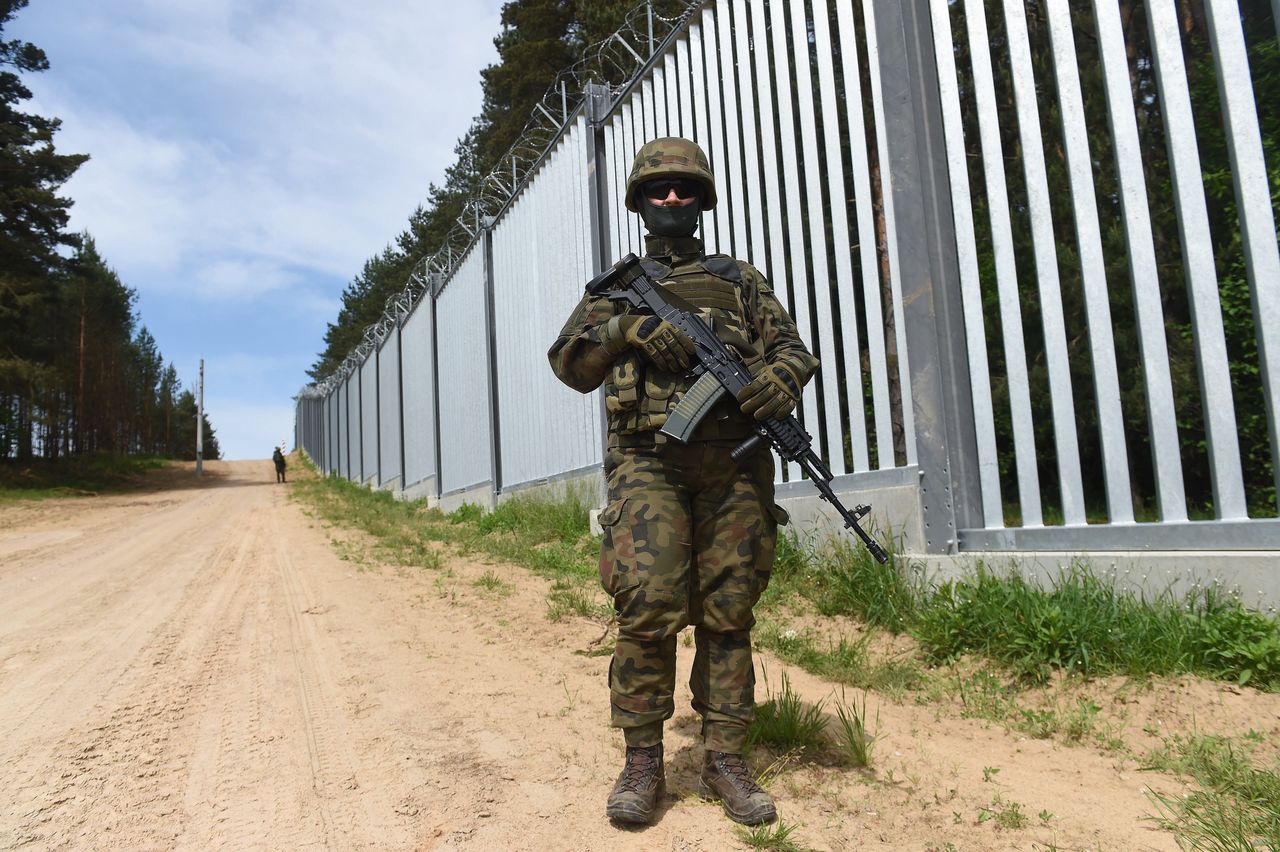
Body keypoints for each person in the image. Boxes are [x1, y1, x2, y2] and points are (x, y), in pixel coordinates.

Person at [548, 137, 819, 827]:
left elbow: (792, 349)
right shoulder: (616, 290)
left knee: (729, 612)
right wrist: (627, 331)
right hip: (648, 463)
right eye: (659, 189)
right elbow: (570, 365)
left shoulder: (738, 279)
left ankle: (726, 756)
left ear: (702, 199)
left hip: (733, 464)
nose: (673, 198)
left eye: (685, 189)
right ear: (640, 200)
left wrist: (777, 381)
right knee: (648, 606)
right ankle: (643, 761)